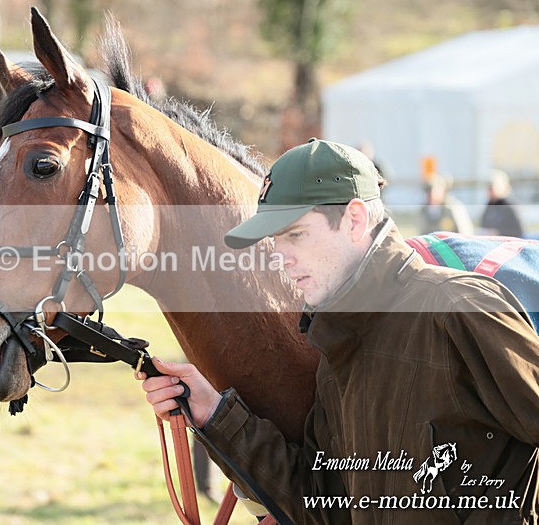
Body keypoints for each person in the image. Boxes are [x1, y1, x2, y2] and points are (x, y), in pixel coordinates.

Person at [139, 138, 539, 523]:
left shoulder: (460, 310)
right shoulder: (336, 347)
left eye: (295, 234)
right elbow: (320, 505)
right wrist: (214, 414)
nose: (282, 258)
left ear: (355, 220)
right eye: (276, 241)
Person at [480, 169, 524, 238]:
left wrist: (498, 232)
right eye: (489, 188)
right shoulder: (489, 206)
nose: (490, 191)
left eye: (492, 188)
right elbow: (483, 225)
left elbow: (518, 232)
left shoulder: (510, 207)